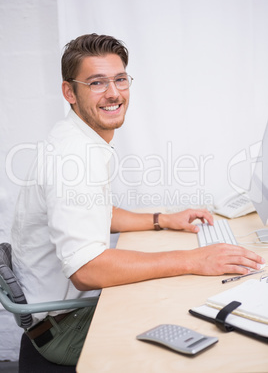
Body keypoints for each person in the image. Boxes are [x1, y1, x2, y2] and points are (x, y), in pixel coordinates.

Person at [11, 33, 265, 366]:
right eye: (97, 83)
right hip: (64, 328)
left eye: (119, 79)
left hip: (66, 312)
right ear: (69, 92)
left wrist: (162, 220)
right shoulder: (71, 158)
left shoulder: (77, 138)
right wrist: (194, 260)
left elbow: (94, 212)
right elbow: (86, 270)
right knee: (206, 327)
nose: (114, 93)